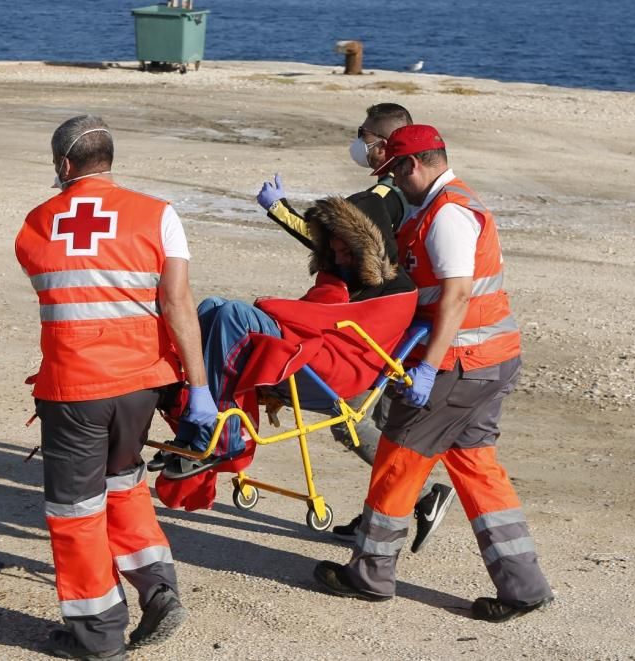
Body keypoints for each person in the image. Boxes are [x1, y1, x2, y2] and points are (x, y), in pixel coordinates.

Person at [312, 125, 554, 622]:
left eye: (396, 175)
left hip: (458, 366)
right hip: (491, 360)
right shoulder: (453, 206)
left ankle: (371, 574)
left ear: (412, 165)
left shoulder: (447, 216)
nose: (396, 185)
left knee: (398, 461)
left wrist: (425, 368)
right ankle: (524, 588)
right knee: (477, 470)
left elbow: (457, 295)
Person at [15, 115, 217, 660]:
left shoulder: (35, 225)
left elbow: (53, 282)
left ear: (63, 166)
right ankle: (158, 592)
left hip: (75, 388)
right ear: (110, 159)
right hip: (141, 385)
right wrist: (198, 388)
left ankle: (99, 637)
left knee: (76, 511)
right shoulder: (159, 215)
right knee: (124, 484)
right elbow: (177, 305)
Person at [256, 103, 456, 553]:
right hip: (405, 319)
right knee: (383, 425)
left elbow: (343, 244)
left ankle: (421, 499)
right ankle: (384, 514)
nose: (357, 141)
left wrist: (279, 210)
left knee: (351, 418)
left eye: (363, 134)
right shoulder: (410, 193)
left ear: (385, 145)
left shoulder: (383, 196)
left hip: (381, 320)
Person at [157, 191, 417, 483]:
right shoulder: (342, 272)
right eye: (335, 251)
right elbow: (316, 311)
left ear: (369, 250)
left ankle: (224, 438)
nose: (340, 259)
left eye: (347, 253)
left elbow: (327, 319)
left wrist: (272, 306)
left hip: (335, 366)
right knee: (211, 307)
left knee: (233, 315)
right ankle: (190, 427)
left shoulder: (396, 290)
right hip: (313, 345)